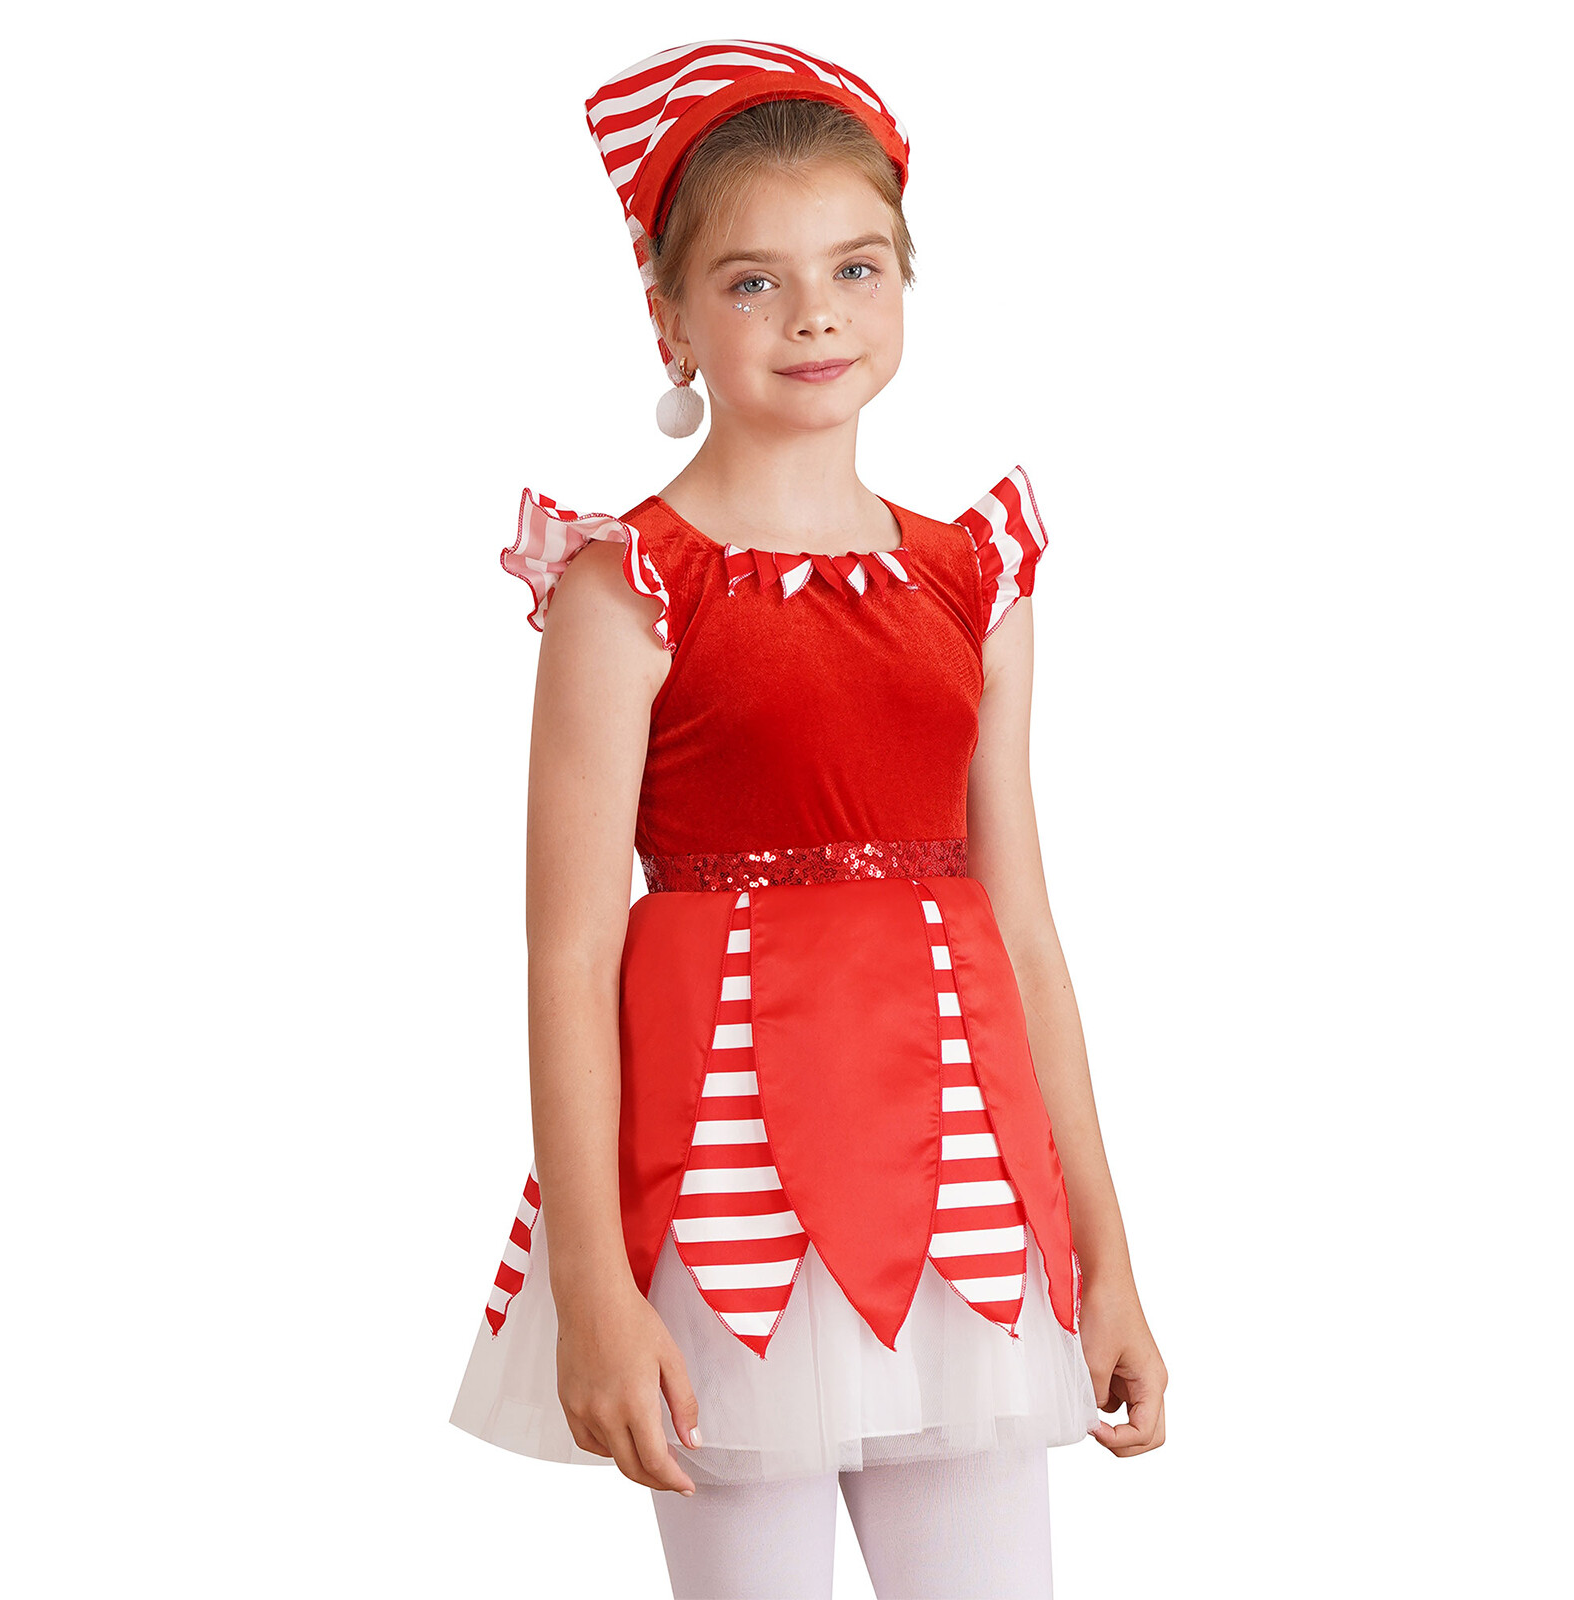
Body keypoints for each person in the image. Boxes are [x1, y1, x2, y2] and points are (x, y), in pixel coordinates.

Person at [451, 39, 1167, 1599]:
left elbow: (1024, 926)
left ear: (904, 283)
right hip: (722, 1190)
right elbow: (568, 951)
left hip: (969, 1191)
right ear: (671, 321)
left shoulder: (973, 577)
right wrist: (595, 1287)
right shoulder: (628, 589)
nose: (816, 313)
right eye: (753, 281)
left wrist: (1105, 1253)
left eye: (854, 267)